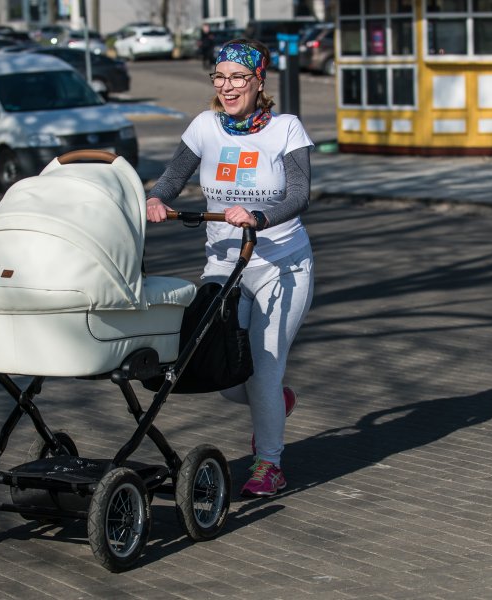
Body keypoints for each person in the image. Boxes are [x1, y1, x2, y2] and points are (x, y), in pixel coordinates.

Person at [146, 38, 315, 497]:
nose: (228, 86)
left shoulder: (286, 129)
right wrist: (158, 198)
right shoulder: (204, 127)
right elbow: (173, 176)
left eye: (239, 77)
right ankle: (274, 402)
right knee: (223, 369)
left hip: (282, 264)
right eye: (220, 77)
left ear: (259, 81)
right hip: (224, 263)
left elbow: (299, 193)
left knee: (263, 367)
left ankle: (269, 465)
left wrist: (259, 218)